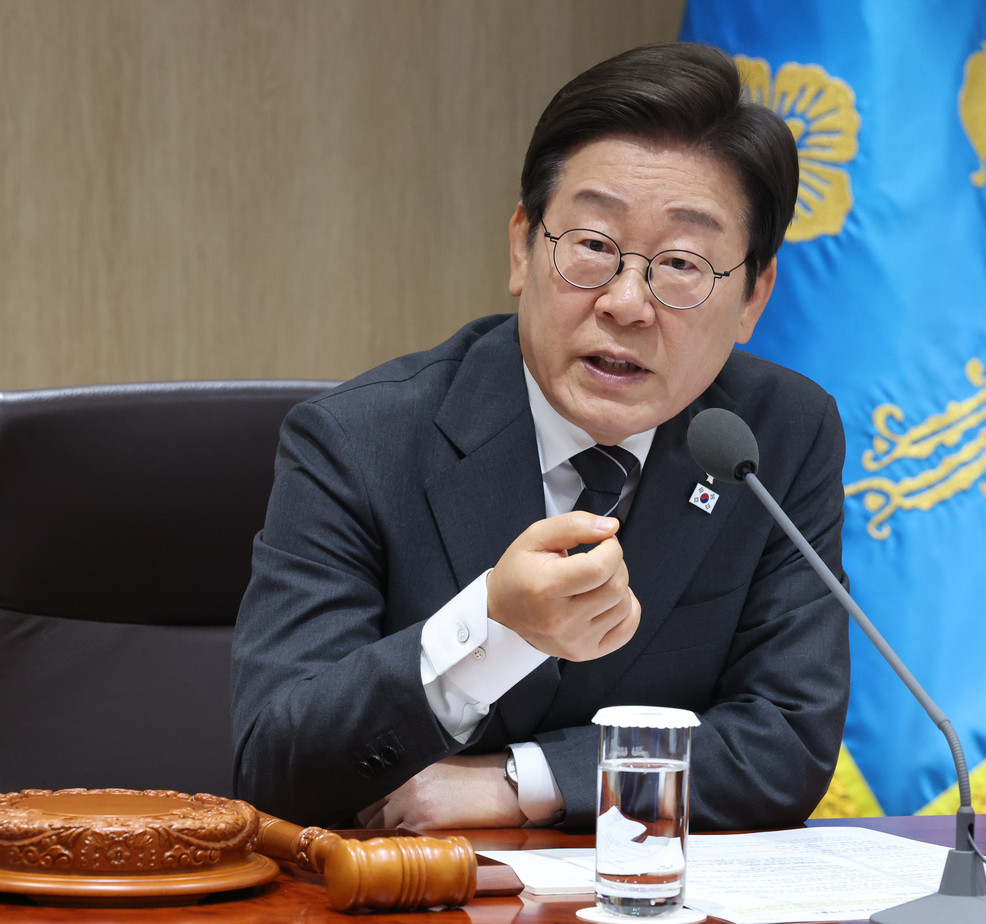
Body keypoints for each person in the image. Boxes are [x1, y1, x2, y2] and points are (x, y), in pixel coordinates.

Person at [231, 42, 850, 832]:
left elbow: (788, 743)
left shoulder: (776, 438)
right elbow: (274, 763)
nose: (628, 302)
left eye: (683, 263)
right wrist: (492, 626)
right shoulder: (358, 441)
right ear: (523, 246)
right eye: (594, 246)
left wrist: (524, 781)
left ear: (754, 294)